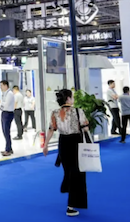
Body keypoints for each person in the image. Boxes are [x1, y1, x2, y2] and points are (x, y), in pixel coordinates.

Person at [42, 89, 90, 217]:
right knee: (77, 174)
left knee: (69, 171)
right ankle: (71, 205)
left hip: (63, 143)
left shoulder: (55, 113)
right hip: (76, 143)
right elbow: (85, 128)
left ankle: (68, 190)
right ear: (68, 98)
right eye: (71, 97)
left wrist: (46, 144)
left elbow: (51, 129)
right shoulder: (78, 111)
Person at [0, 80, 15, 156]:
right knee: (4, 131)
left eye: (1, 85)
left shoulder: (10, 94)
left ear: (6, 85)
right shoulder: (4, 93)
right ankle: (9, 148)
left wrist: (1, 105)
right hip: (4, 113)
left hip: (8, 113)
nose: (0, 87)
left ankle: (8, 150)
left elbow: (6, 105)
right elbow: (2, 104)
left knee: (6, 132)